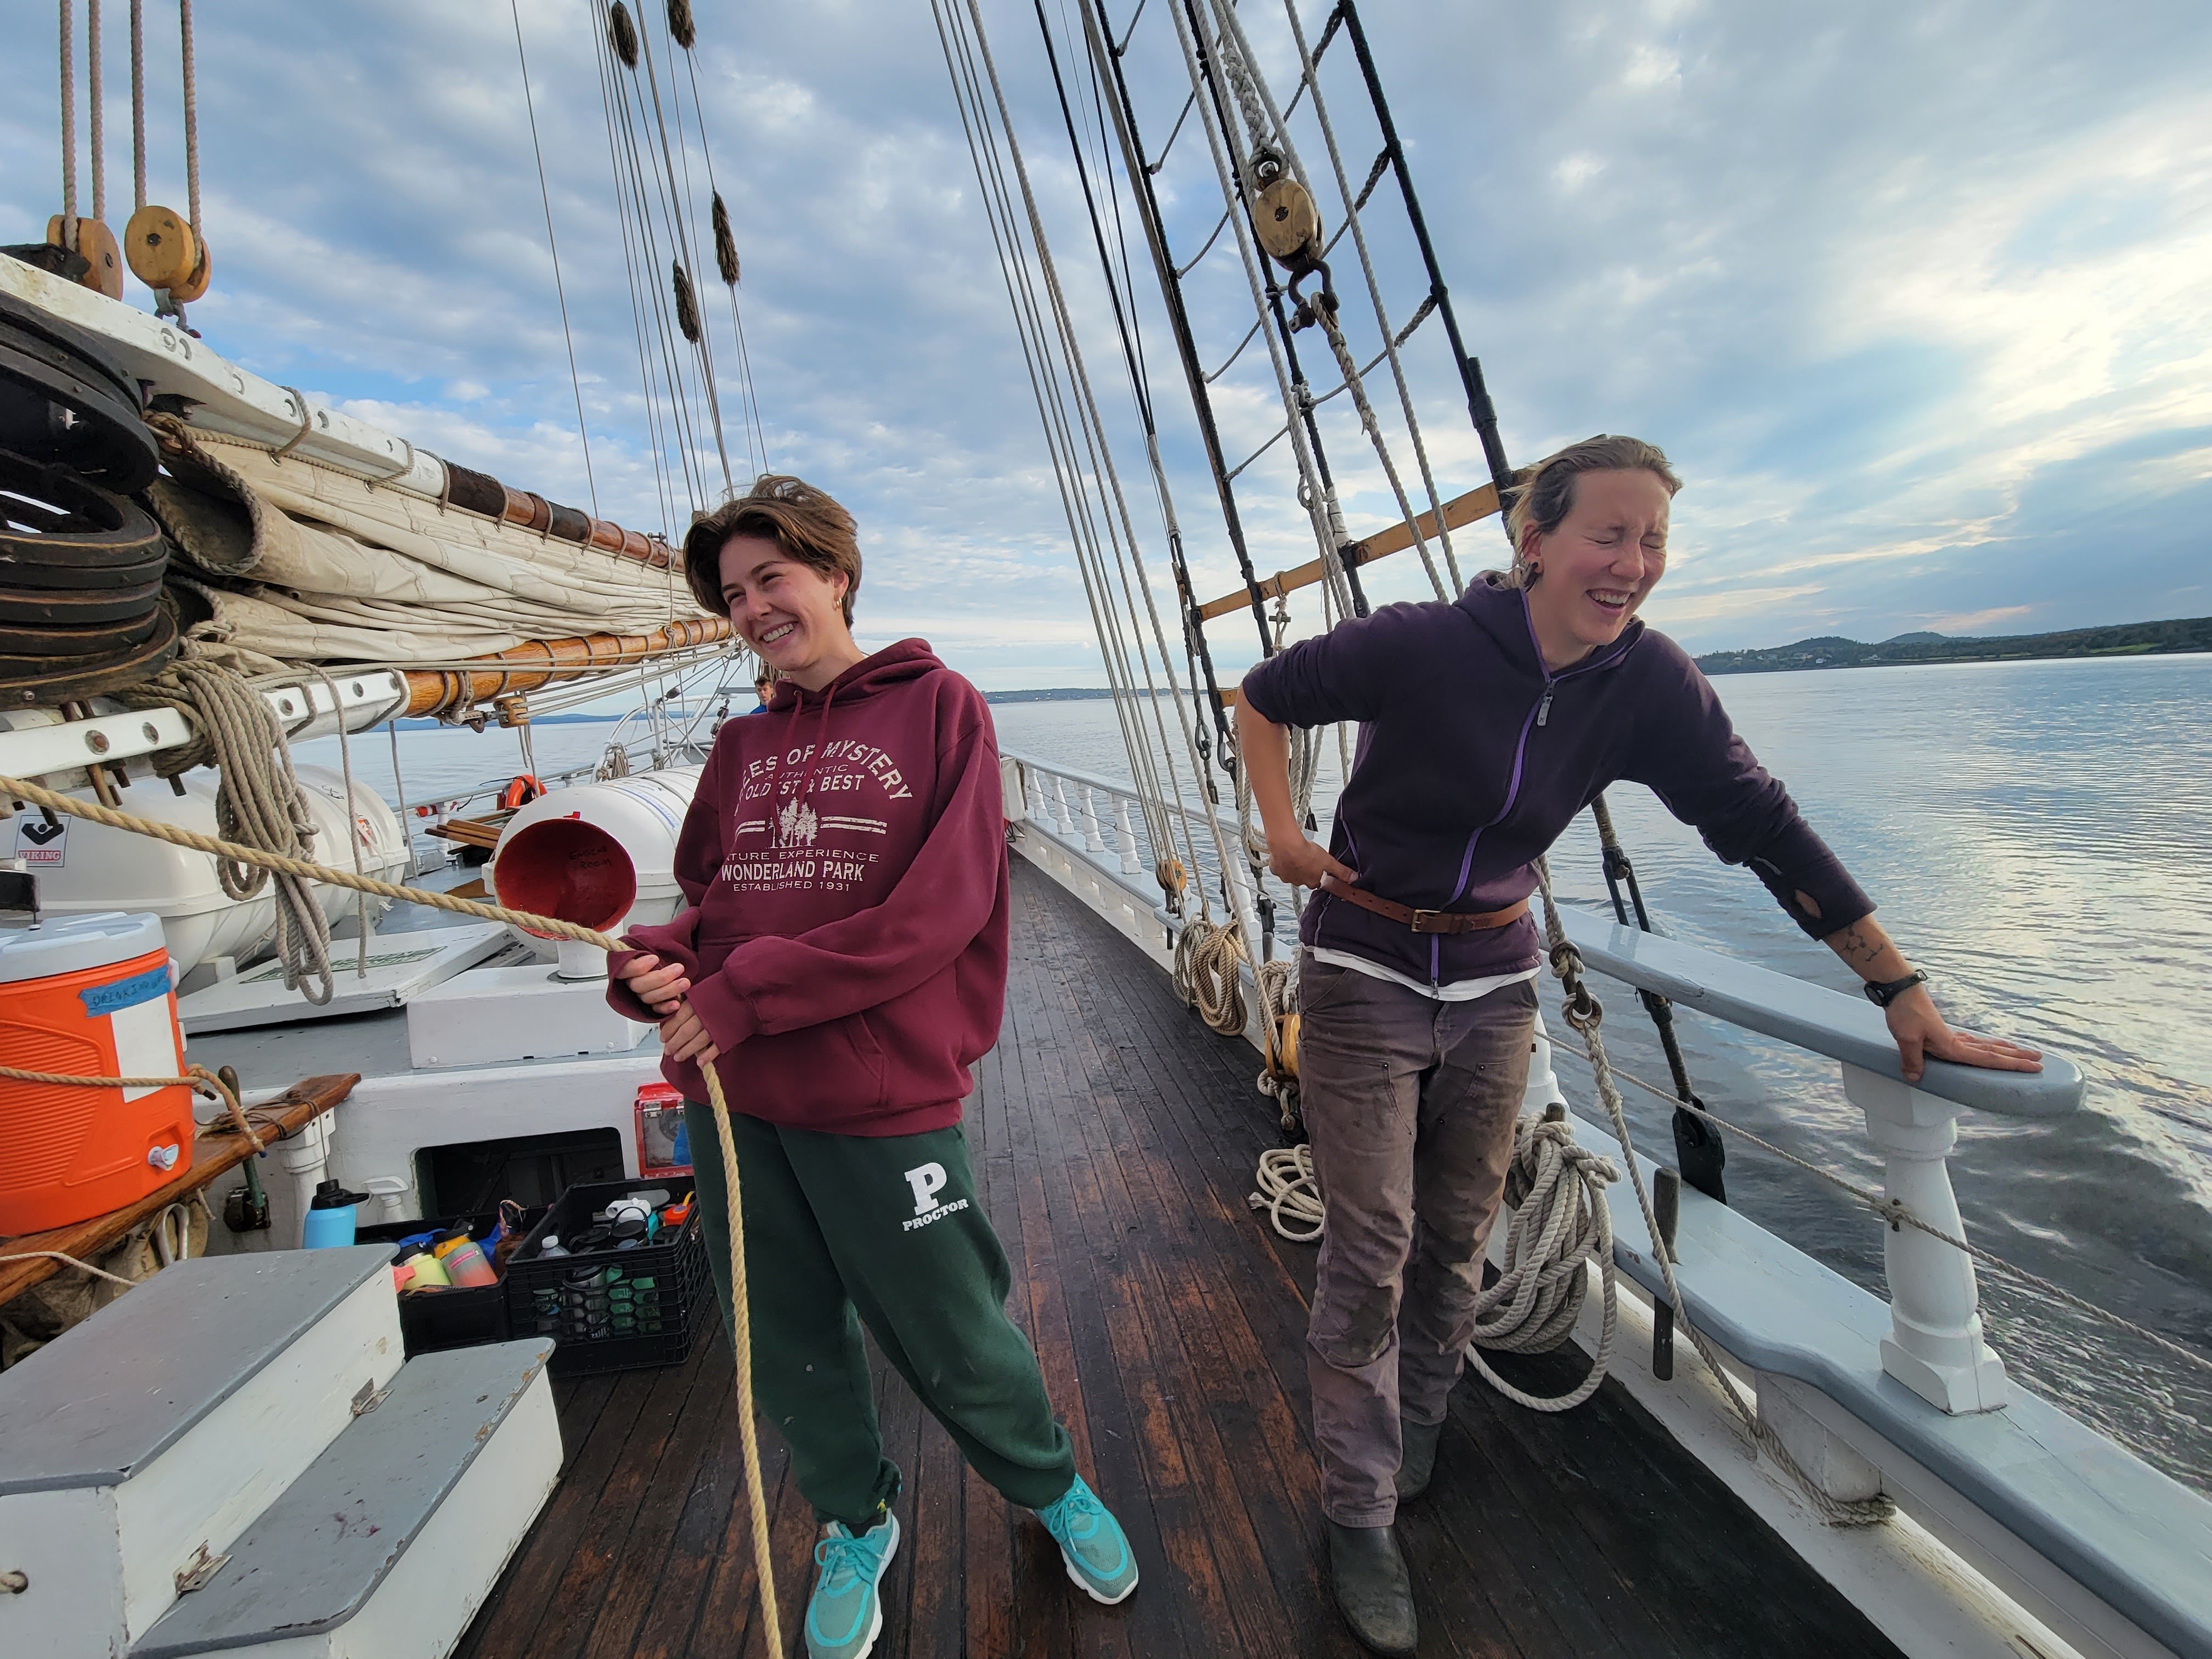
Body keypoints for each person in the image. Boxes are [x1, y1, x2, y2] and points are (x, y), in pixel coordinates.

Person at [1234, 435, 2040, 1659]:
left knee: (1457, 1234)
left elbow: (1761, 823)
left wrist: (1898, 985)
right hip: (1363, 966)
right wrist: (1286, 835)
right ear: (1536, 542)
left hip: (1497, 976)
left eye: (1655, 540)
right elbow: (1263, 697)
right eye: (1610, 535)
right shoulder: (1420, 644)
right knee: (1373, 1242)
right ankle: (1357, 1513)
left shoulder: (1647, 684)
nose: (1634, 564)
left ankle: (1427, 1412)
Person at [607, 476, 1138, 1659]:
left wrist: (742, 991)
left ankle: (1048, 1484)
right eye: (734, 595)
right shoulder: (741, 744)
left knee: (949, 1320)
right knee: (783, 1329)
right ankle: (856, 1522)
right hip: (736, 1097)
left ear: (835, 574)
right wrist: (658, 962)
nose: (753, 608)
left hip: (877, 1089)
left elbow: (938, 913)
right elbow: (708, 905)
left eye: (771, 580)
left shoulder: (941, 707)